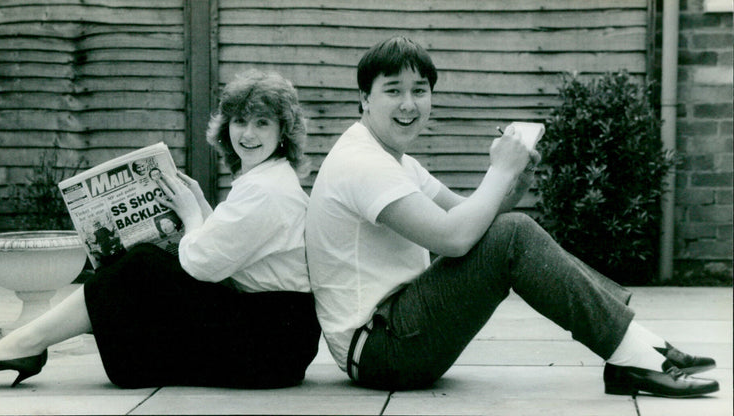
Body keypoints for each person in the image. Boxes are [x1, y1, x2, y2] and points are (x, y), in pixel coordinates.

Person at [305, 36, 718, 397]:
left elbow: (462, 214)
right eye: (393, 91)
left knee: (510, 230)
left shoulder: (390, 158)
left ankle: (637, 344)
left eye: (420, 90)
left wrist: (512, 185)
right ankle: (635, 353)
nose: (409, 105)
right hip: (380, 350)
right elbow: (454, 239)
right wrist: (498, 170)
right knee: (513, 234)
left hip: (392, 333)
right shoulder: (362, 163)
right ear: (364, 99)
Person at [0, 70, 320, 389]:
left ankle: (25, 345)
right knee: (139, 267)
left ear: (283, 133)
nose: (248, 133)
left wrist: (193, 214)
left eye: (262, 123)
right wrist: (202, 206)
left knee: (143, 265)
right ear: (227, 127)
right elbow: (234, 251)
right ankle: (27, 345)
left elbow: (202, 265)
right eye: (240, 121)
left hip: (270, 345)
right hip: (277, 338)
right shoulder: (268, 180)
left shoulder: (266, 189)